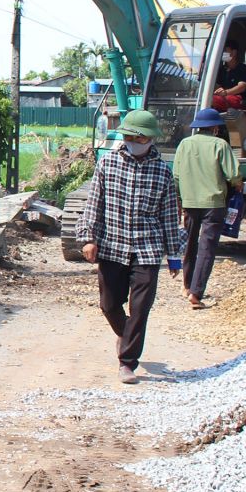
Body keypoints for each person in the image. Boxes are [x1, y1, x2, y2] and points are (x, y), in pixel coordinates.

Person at [76, 110, 184, 385]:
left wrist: (174, 256)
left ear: (148, 139)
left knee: (140, 306)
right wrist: (89, 238)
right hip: (113, 245)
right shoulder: (108, 164)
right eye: (127, 136)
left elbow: (169, 216)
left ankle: (127, 362)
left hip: (147, 248)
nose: (131, 140)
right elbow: (94, 204)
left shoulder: (162, 172)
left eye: (137, 137)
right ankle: (125, 335)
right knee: (109, 304)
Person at [172, 108, 240, 309]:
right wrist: (238, 184)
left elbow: (176, 176)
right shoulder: (220, 145)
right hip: (214, 204)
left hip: (189, 202)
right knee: (207, 248)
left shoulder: (185, 144)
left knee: (190, 245)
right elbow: (233, 174)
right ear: (216, 128)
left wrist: (178, 198)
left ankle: (186, 286)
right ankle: (196, 292)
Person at [212, 43, 246, 112]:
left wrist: (225, 92)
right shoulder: (222, 69)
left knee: (211, 100)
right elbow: (218, 85)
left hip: (238, 98)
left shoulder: (243, 68)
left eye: (225, 51)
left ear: (234, 52)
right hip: (223, 98)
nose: (223, 54)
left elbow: (242, 87)